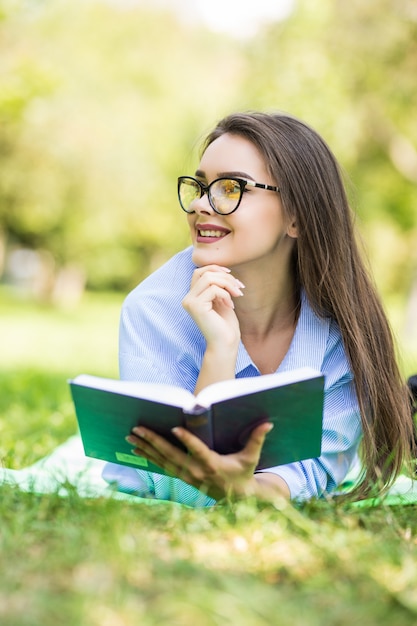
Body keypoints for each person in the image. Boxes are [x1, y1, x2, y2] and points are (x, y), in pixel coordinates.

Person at [102, 111, 416, 506]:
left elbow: (314, 471)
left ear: (297, 217)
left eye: (231, 188)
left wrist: (247, 490)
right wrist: (220, 351)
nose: (201, 204)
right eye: (200, 186)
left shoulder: (345, 328)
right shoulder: (153, 312)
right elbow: (183, 491)